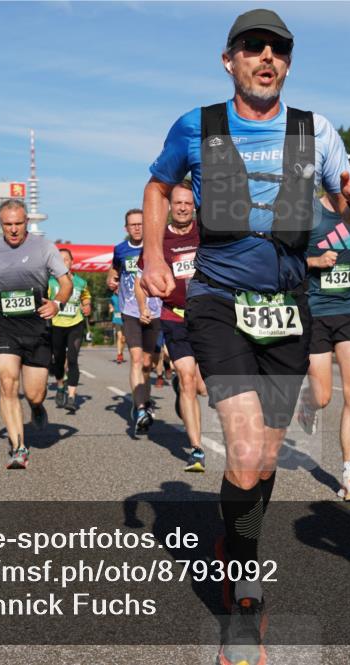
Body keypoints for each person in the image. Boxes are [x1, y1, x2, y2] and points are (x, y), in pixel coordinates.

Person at [140, 9, 350, 664]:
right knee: (243, 454)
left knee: (266, 462)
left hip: (289, 306)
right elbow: (158, 187)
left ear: (288, 64)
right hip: (218, 301)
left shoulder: (315, 130)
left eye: (277, 50)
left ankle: (233, 539)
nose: (265, 57)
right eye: (252, 47)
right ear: (230, 60)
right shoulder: (198, 126)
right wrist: (154, 258)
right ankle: (245, 597)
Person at [296, 156, 350, 501]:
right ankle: (308, 404)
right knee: (323, 395)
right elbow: (283, 257)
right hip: (315, 312)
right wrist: (313, 261)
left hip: (348, 311)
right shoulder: (308, 213)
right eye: (346, 179)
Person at [0, 200, 72, 469]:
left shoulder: (43, 247)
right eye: (8, 224)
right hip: (3, 328)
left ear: (26, 221)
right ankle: (19, 447)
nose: (14, 229)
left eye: (18, 223)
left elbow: (66, 282)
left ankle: (37, 408)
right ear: (0, 223)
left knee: (35, 393)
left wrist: (58, 303)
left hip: (37, 327)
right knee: (6, 382)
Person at [138, 181, 208, 472]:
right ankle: (197, 449)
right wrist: (143, 306)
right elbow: (143, 280)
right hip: (174, 316)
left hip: (209, 316)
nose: (182, 208)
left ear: (194, 206)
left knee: (204, 387)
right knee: (188, 377)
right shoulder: (158, 240)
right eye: (177, 203)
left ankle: (183, 387)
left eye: (187, 204)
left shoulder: (205, 233)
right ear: (168, 207)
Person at [108, 209, 162, 433]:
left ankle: (145, 402)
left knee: (148, 363)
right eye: (133, 225)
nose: (137, 228)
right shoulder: (120, 250)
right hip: (129, 310)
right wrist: (111, 278)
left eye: (141, 224)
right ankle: (140, 408)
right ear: (126, 228)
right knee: (137, 359)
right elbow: (113, 270)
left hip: (155, 309)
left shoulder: (156, 246)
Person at [49, 248, 92, 412]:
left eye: (66, 259)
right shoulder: (51, 282)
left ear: (72, 262)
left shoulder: (80, 282)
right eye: (59, 260)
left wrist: (87, 305)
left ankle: (72, 396)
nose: (63, 262)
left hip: (75, 323)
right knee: (59, 359)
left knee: (72, 359)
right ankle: (60, 386)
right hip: (56, 324)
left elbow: (86, 297)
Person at [109, 293, 125, 363]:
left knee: (123, 339)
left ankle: (121, 353)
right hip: (117, 319)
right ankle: (119, 355)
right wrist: (111, 308)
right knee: (119, 336)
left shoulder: (125, 295)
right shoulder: (112, 297)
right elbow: (110, 306)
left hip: (125, 319)